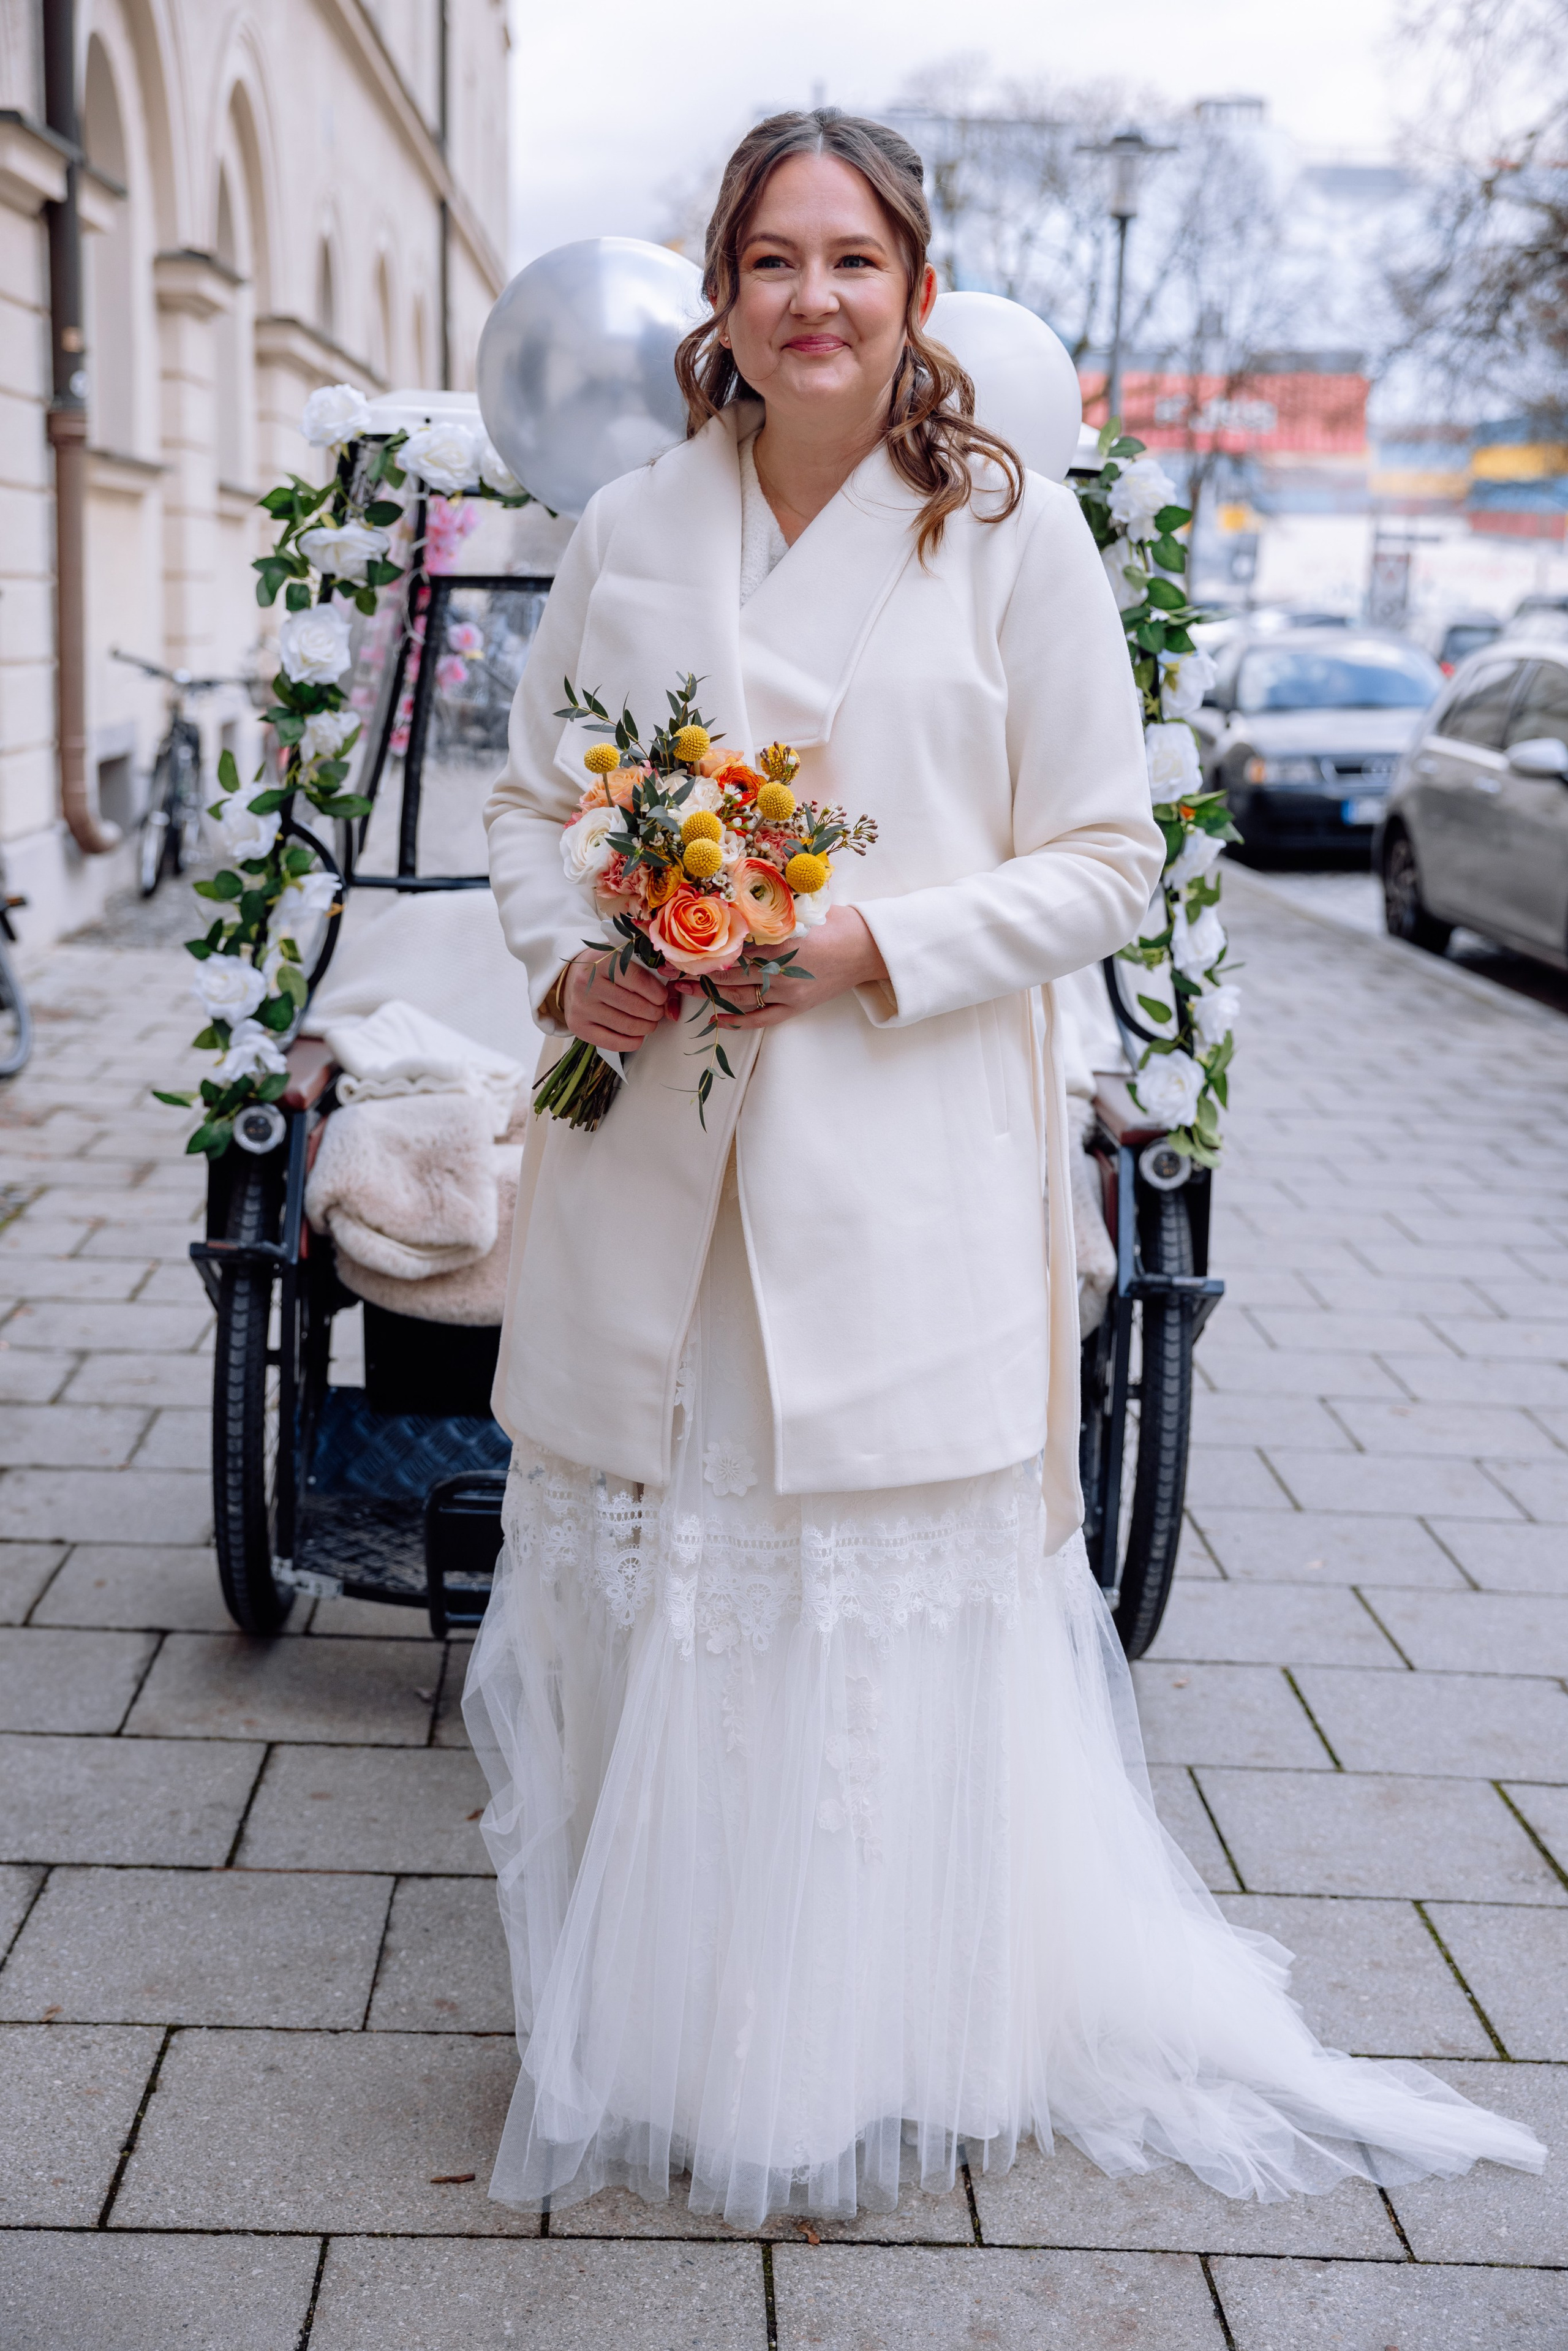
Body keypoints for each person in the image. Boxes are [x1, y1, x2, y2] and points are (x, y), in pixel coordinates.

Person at [468, 109, 1544, 2225]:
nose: (812, 298)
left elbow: (1111, 859)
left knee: (850, 1618)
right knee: (670, 1601)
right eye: (771, 260)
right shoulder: (632, 526)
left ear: (917, 291)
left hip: (891, 1160)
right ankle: (668, 2014)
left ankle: (869, 2036)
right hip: (657, 1152)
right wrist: (568, 960)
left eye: (851, 259)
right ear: (720, 292)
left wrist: (870, 946)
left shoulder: (1008, 536)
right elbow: (526, 803)